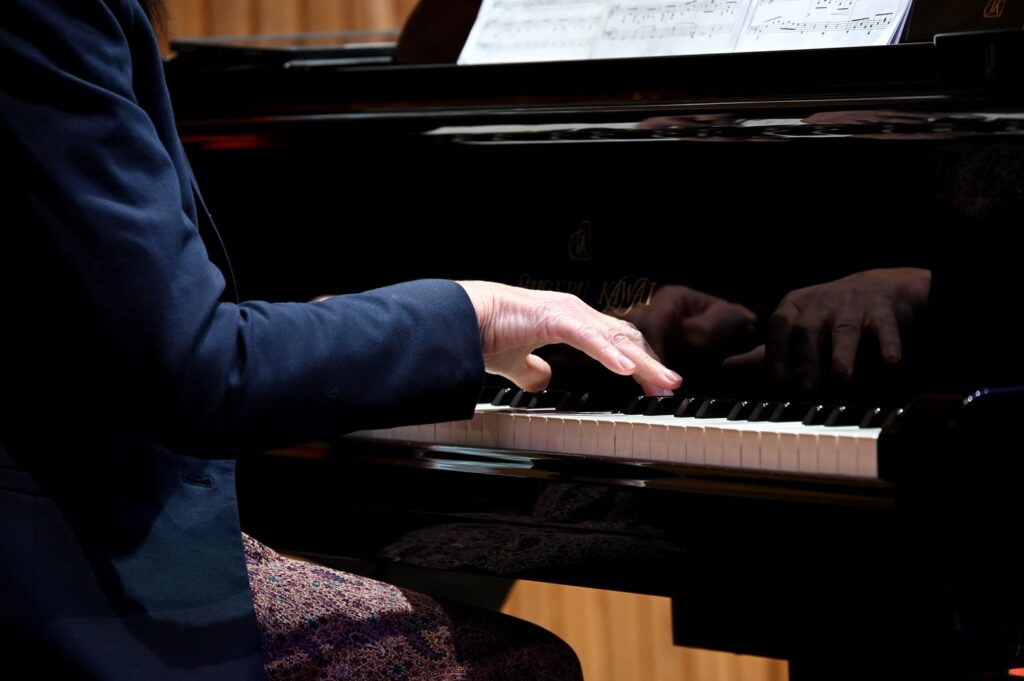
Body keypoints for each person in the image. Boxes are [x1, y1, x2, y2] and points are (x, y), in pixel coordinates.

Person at [0, 1, 682, 679]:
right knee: (521, 665)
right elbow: (195, 369)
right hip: (57, 571)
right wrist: (473, 315)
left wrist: (325, 332)